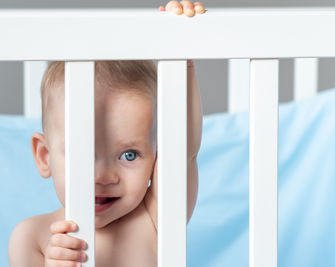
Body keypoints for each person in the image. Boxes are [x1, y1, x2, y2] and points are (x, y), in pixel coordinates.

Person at [8, 1, 205, 266]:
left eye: (129, 154)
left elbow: (184, 150)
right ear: (45, 156)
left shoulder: (155, 219)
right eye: (82, 154)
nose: (103, 177)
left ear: (157, 157)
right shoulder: (32, 238)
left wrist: (182, 55)